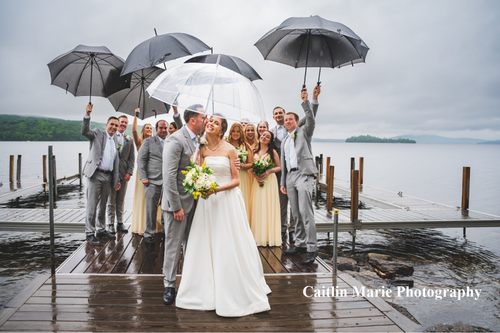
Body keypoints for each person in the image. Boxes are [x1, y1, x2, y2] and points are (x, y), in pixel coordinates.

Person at [175, 114, 271, 317]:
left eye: (216, 123)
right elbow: (198, 174)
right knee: (205, 241)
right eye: (210, 121)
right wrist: (195, 168)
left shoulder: (230, 149)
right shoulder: (200, 148)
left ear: (221, 130)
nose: (210, 123)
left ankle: (233, 289)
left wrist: (216, 189)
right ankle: (204, 289)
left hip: (226, 199)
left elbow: (236, 180)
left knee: (227, 241)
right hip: (207, 202)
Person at [161, 104, 206, 306]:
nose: (206, 121)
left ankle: (189, 282)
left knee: (192, 244)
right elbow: (169, 175)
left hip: (195, 202)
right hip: (177, 205)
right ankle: (169, 285)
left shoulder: (198, 140)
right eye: (203, 117)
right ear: (193, 120)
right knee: (173, 245)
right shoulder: (175, 139)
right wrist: (176, 206)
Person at [281, 84, 321, 265]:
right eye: (286, 120)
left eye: (291, 119)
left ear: (297, 122)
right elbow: (284, 164)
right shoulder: (284, 141)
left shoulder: (304, 132)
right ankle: (300, 244)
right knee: (295, 213)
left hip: (305, 175)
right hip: (290, 177)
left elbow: (311, 119)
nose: (288, 121)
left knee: (306, 213)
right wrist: (283, 181)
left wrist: (308, 101)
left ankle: (312, 249)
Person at [81, 104, 121, 245]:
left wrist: (116, 180)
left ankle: (101, 229)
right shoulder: (97, 133)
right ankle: (89, 233)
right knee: (92, 205)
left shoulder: (116, 140)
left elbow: (116, 161)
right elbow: (85, 131)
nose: (114, 127)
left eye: (116, 125)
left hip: (108, 176)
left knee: (103, 205)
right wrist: (87, 114)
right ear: (106, 124)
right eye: (112, 124)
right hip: (95, 174)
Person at [137, 119, 169, 245]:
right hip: (152, 180)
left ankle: (166, 232)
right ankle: (148, 233)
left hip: (167, 181)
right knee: (151, 208)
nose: (163, 130)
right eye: (161, 128)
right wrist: (143, 177)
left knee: (167, 208)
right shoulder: (148, 141)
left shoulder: (171, 142)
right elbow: (141, 160)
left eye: (165, 128)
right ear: (157, 129)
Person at [249, 130, 282, 246]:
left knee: (268, 206)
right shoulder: (254, 151)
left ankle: (269, 237)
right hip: (257, 182)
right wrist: (255, 176)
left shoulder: (272, 152)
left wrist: (269, 171)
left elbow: (279, 167)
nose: (264, 137)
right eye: (263, 135)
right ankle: (257, 236)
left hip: (269, 182)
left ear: (270, 141)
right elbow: (250, 167)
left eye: (267, 137)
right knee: (258, 206)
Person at [106, 115, 135, 234]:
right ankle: (111, 224)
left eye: (125, 123)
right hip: (111, 174)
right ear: (118, 123)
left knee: (121, 200)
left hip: (124, 175)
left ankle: (120, 223)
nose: (123, 124)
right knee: (111, 200)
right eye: (122, 122)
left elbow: (132, 158)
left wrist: (129, 172)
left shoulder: (129, 139)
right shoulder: (111, 138)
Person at [271, 106, 295, 243]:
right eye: (276, 113)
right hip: (280, 171)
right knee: (282, 202)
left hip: (293, 169)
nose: (279, 115)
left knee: (294, 201)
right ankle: (282, 229)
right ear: (273, 117)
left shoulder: (293, 130)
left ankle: (292, 230)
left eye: (281, 113)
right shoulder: (271, 132)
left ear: (284, 115)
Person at [131, 109, 153, 235]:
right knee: (142, 199)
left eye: (151, 128)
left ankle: (153, 225)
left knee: (153, 199)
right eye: (147, 128)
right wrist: (135, 116)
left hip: (154, 173)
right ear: (143, 130)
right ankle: (141, 226)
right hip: (143, 174)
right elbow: (134, 130)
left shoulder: (155, 141)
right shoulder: (140, 142)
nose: (149, 129)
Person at [226, 123, 253, 220]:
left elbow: (251, 163)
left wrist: (241, 165)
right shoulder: (226, 144)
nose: (236, 133)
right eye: (234, 131)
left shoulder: (246, 146)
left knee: (242, 202)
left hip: (242, 177)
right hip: (229, 175)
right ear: (230, 132)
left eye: (238, 131)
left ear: (241, 133)